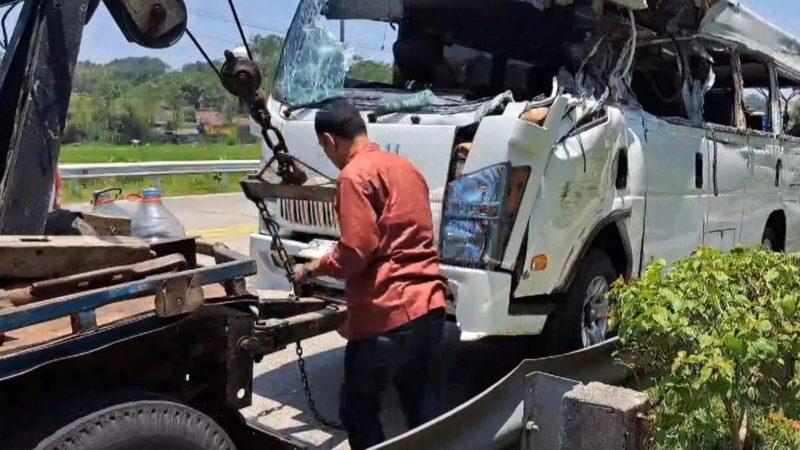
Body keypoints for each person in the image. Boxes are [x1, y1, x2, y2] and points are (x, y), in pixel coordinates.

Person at [293, 99, 447, 450]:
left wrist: (313, 267)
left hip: (387, 313)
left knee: (359, 409)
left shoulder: (354, 175)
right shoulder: (407, 168)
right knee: (422, 407)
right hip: (430, 307)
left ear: (330, 141)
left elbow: (356, 252)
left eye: (324, 148)